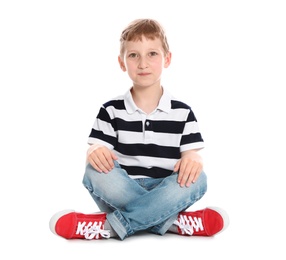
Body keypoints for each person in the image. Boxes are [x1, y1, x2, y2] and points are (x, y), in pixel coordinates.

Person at [49, 18, 229, 241]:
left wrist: (195, 160)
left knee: (199, 178)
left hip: (166, 188)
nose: (143, 63)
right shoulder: (111, 110)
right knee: (94, 171)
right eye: (134, 55)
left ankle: (111, 226)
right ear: (122, 62)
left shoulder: (183, 112)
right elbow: (97, 150)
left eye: (152, 53)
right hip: (122, 187)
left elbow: (191, 154)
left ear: (167, 59)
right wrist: (93, 151)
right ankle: (170, 221)